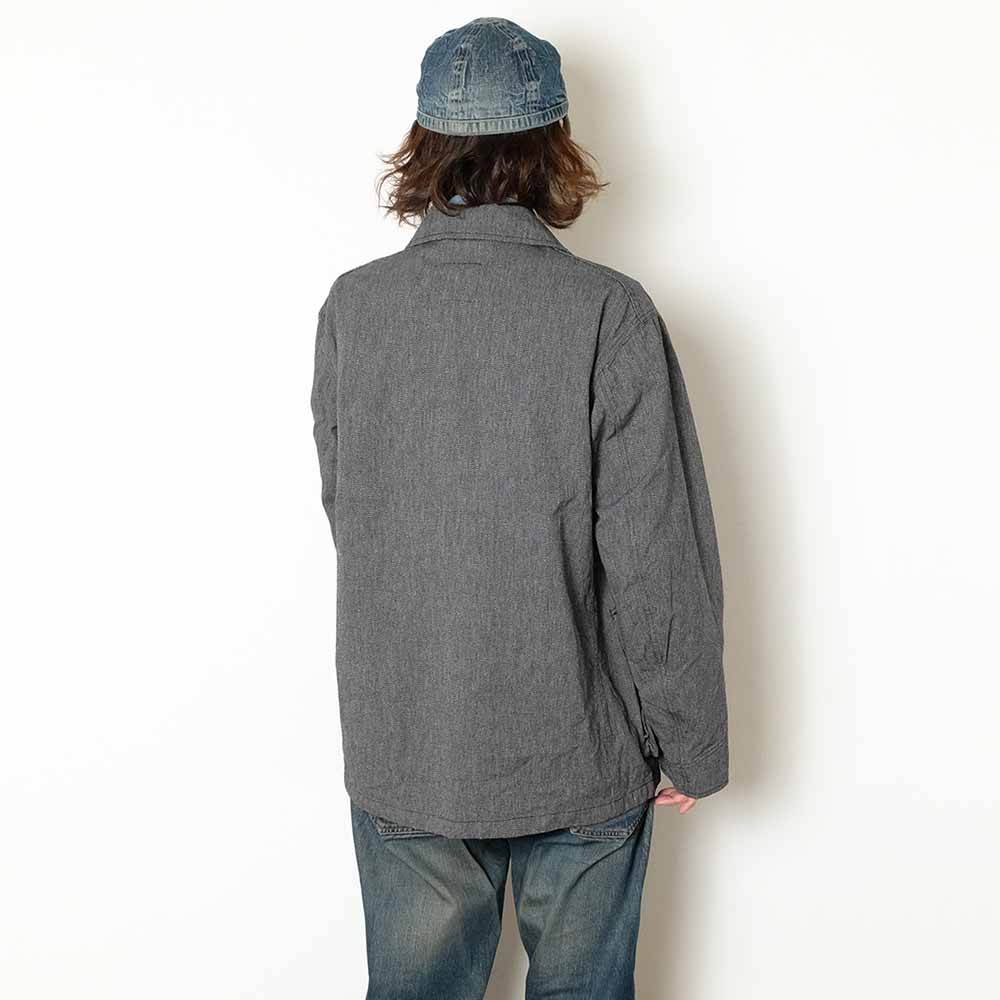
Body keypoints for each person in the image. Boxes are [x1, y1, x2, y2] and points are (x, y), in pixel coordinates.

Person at [310, 16, 729, 1000]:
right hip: (580, 746)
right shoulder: (607, 310)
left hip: (411, 742)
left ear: (424, 143)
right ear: (552, 145)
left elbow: (352, 509)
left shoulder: (354, 308)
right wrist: (690, 739)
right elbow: (654, 548)